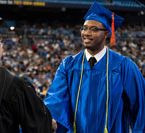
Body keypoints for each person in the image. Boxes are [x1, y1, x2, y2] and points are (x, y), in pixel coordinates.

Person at [44, 2, 145, 133]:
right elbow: (56, 99)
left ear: (107, 33)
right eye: (84, 28)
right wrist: (49, 118)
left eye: (94, 29)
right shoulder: (69, 65)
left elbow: (141, 107)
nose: (86, 33)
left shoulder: (123, 66)